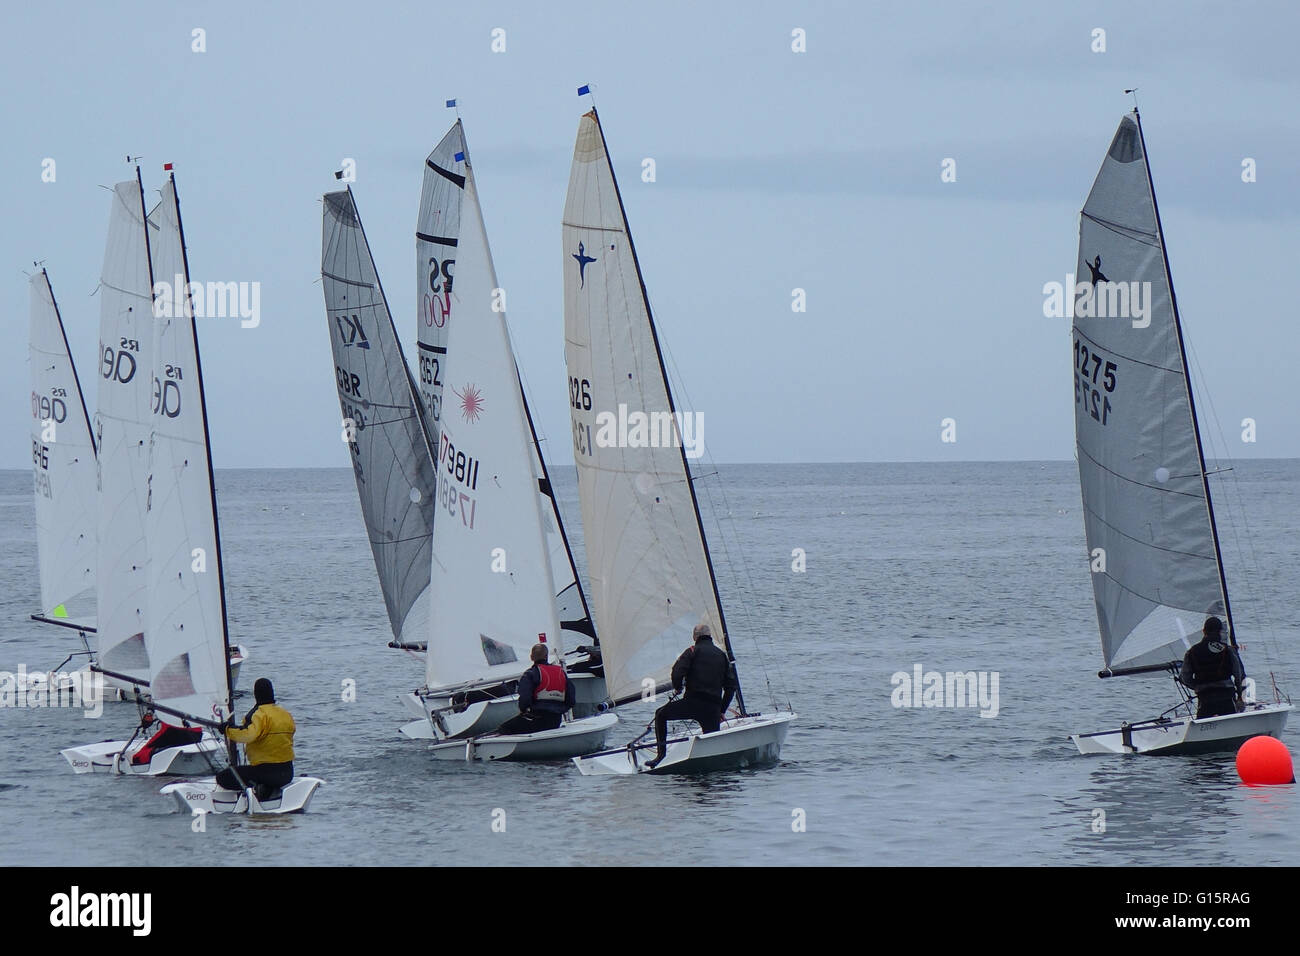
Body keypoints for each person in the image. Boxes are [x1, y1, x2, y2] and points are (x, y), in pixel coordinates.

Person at [646, 624, 737, 769]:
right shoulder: (722, 656)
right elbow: (731, 687)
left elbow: (677, 672)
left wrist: (678, 687)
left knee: (660, 715)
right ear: (710, 636)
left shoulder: (692, 651)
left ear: (695, 637)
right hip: (712, 708)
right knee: (711, 744)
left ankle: (660, 756)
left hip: (692, 704)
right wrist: (721, 710)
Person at [217, 677, 295, 798]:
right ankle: (268, 788)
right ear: (272, 692)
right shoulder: (285, 714)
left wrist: (227, 729)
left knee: (222, 777)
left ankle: (260, 789)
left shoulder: (259, 714)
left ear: (256, 694)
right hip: (287, 773)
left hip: (266, 773)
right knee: (252, 772)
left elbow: (248, 735)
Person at [494, 644, 575, 735]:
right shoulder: (561, 672)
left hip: (536, 719)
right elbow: (571, 700)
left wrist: (524, 711)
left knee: (504, 728)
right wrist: (560, 710)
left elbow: (525, 698)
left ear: (531, 657)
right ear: (546, 656)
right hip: (556, 720)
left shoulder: (530, 674)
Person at [1179, 617, 1246, 719]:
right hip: (1226, 697)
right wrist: (1240, 696)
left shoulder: (1192, 652)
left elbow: (1184, 677)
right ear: (1220, 631)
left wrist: (1196, 686)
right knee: (1231, 721)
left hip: (1205, 699)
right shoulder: (1228, 650)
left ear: (1203, 631)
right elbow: (1239, 674)